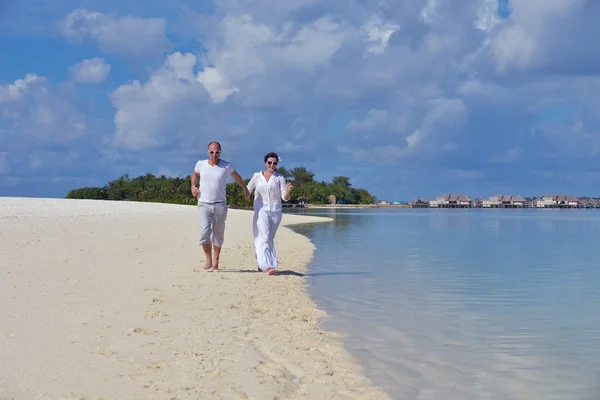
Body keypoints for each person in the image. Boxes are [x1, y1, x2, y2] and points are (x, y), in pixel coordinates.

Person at [191, 141, 249, 271]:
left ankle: (216, 261)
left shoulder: (226, 166)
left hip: (220, 204)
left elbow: (236, 176)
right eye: (212, 152)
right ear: (208, 152)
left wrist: (245, 188)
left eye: (217, 152)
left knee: (218, 233)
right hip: (204, 203)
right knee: (205, 231)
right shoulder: (200, 164)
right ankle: (208, 260)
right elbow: (195, 175)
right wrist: (193, 186)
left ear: (220, 152)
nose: (214, 155)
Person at [245, 152, 293, 275]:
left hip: (276, 212)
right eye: (269, 162)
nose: (272, 165)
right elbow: (248, 190)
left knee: (269, 239)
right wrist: (246, 193)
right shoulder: (257, 176)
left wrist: (288, 191)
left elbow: (285, 197)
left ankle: (261, 262)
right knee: (265, 237)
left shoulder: (279, 178)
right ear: (265, 163)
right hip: (261, 210)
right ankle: (269, 266)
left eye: (274, 163)